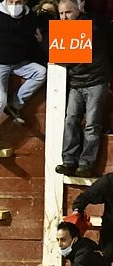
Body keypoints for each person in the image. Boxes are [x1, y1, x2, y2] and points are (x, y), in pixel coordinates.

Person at [0, 0, 46, 152]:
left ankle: (14, 104)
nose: (14, 4)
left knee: (41, 72)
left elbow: (32, 44)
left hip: (19, 62)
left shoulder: (29, 17)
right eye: (11, 1)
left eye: (18, 1)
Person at [53, 0, 110, 179]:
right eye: (61, 14)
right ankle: (69, 161)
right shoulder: (68, 31)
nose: (64, 17)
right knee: (70, 120)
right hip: (77, 83)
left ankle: (85, 164)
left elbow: (66, 58)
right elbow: (60, 57)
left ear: (78, 11)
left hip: (95, 81)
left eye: (68, 13)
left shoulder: (93, 26)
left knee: (92, 124)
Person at [70, 173, 113, 263]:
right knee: (105, 261)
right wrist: (77, 211)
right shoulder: (109, 181)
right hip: (111, 231)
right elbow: (85, 197)